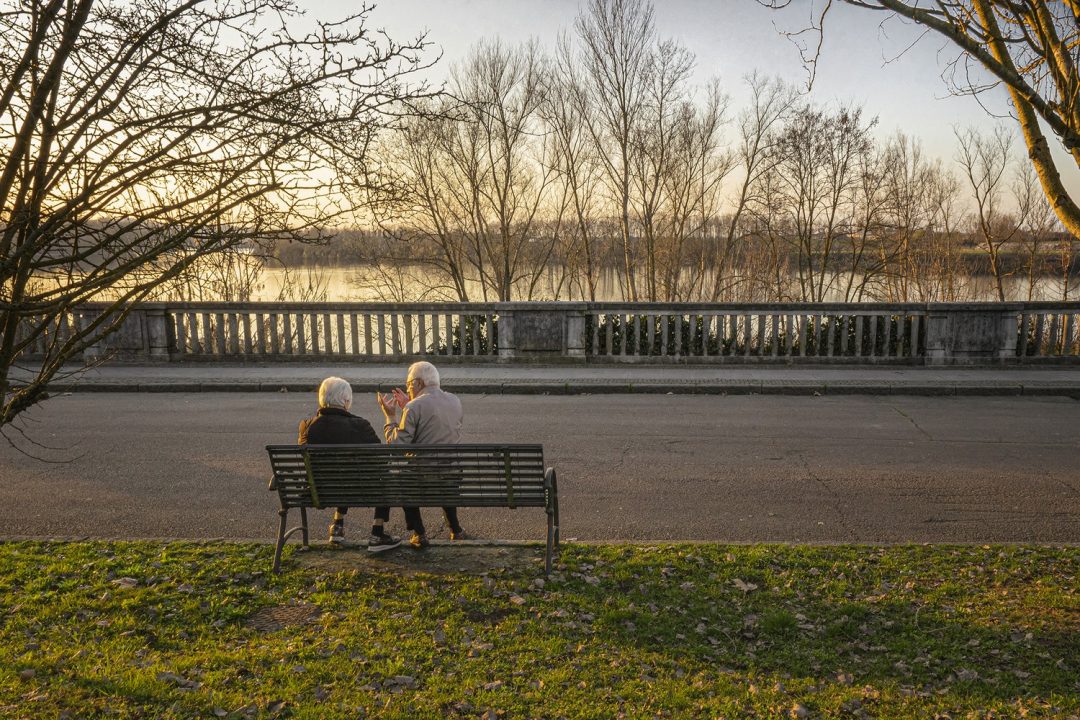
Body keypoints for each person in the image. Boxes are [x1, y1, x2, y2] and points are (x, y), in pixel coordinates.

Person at [298, 376, 401, 553]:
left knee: (338, 471)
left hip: (320, 492)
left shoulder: (306, 426)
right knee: (385, 475)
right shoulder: (360, 425)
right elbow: (382, 460)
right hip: (356, 488)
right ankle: (377, 534)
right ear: (346, 400)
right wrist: (390, 417)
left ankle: (337, 526)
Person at [377, 361, 467, 549]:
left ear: (418, 383)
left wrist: (391, 417)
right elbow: (434, 427)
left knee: (402, 479)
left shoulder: (414, 407)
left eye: (408, 384)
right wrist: (409, 407)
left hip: (422, 479)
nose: (407, 388)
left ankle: (419, 533)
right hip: (452, 476)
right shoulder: (454, 401)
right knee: (443, 467)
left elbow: (397, 447)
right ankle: (456, 530)